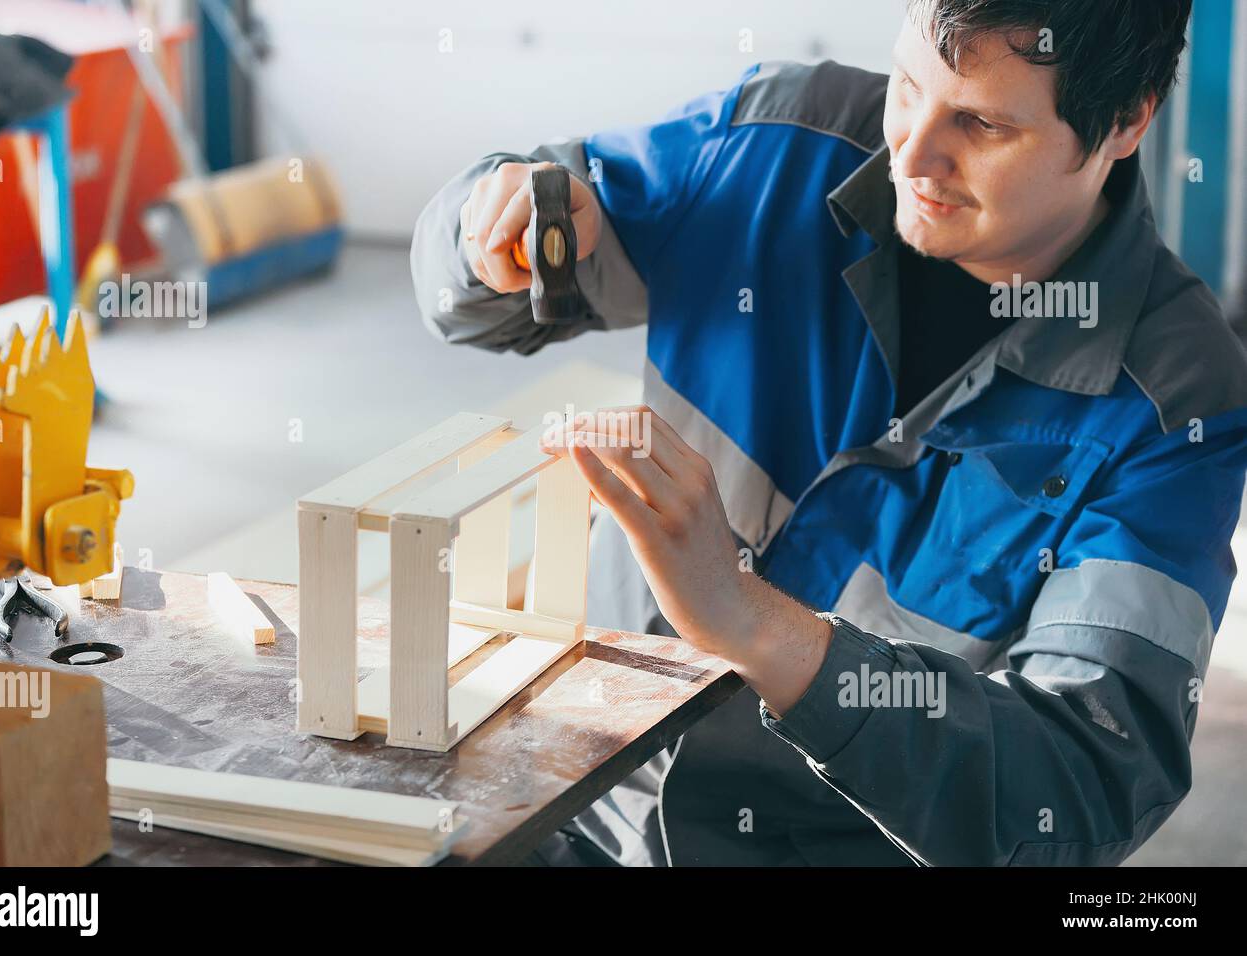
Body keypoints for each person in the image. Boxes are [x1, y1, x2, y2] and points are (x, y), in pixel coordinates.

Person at [410, 0, 1247, 866]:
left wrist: (759, 629)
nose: (912, 156)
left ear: (1123, 122)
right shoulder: (774, 145)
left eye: (983, 123)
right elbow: (467, 311)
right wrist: (490, 228)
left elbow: (1080, 785)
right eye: (909, 86)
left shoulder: (1177, 400)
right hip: (566, 800)